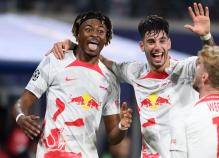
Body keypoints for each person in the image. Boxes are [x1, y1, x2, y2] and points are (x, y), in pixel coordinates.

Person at [51, 3, 214, 157]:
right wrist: (73, 46)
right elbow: (102, 60)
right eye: (151, 42)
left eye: (162, 41)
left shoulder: (186, 69)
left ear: (169, 43)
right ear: (142, 46)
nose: (157, 47)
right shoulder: (134, 72)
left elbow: (216, 63)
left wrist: (206, 37)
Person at [12, 11, 132, 158]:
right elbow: (22, 102)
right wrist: (20, 117)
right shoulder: (56, 60)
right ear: (77, 34)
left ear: (106, 38)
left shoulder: (110, 79)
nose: (95, 34)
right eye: (88, 29)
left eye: (101, 31)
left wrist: (122, 126)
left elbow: (113, 138)